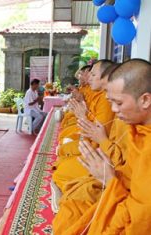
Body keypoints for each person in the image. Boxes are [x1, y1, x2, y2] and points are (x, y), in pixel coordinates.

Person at [53, 59, 151, 234]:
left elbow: (139, 220)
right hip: (113, 181)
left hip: (118, 193)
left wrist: (108, 178)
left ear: (145, 100)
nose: (113, 109)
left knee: (74, 211)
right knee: (73, 198)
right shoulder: (135, 124)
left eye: (119, 103)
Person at [52, 60, 115, 192]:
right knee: (64, 142)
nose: (86, 78)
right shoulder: (100, 95)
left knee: (61, 169)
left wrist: (83, 114)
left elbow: (98, 135)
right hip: (93, 145)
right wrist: (82, 108)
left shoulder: (105, 99)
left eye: (92, 75)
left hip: (100, 156)